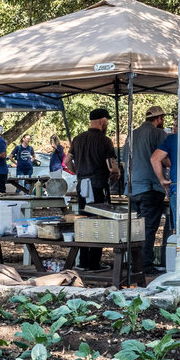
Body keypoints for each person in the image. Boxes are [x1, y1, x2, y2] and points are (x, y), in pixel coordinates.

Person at [68, 108, 120, 270]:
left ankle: (83, 261)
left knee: (84, 221)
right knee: (99, 222)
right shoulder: (105, 141)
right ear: (102, 121)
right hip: (98, 185)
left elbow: (67, 160)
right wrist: (116, 172)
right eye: (107, 121)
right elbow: (111, 166)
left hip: (82, 185)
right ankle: (94, 262)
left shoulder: (77, 139)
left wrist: (79, 172)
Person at [129, 106, 168, 275]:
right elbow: (165, 160)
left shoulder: (132, 134)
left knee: (134, 229)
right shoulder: (159, 134)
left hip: (132, 187)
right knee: (148, 228)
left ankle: (134, 264)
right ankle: (145, 266)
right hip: (151, 187)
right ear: (159, 119)